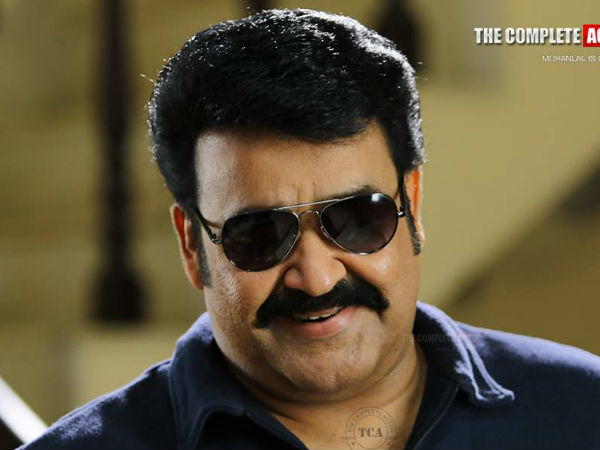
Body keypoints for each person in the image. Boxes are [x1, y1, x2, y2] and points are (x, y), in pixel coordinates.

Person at [20, 8, 600, 450]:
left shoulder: (584, 409)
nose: (317, 278)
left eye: (358, 218)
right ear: (192, 245)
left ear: (413, 205)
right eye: (258, 235)